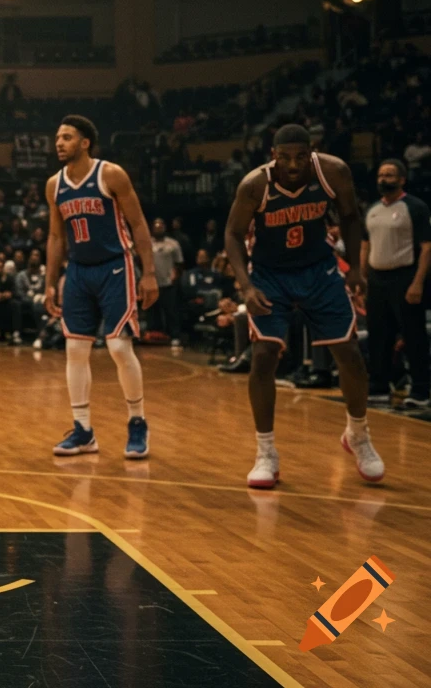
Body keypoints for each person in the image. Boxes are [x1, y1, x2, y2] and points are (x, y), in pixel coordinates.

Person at [224, 124, 384, 488]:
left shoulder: (333, 171)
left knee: (350, 352)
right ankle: (266, 452)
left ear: (311, 151)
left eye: (300, 156)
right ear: (272, 155)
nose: (293, 165)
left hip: (319, 270)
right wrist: (245, 287)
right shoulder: (254, 185)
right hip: (269, 275)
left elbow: (350, 216)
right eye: (285, 158)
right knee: (264, 355)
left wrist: (356, 268)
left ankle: (358, 434)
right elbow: (233, 234)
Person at [44, 115, 158, 458]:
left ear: (85, 142)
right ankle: (83, 431)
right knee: (75, 350)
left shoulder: (110, 174)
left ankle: (137, 422)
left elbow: (138, 224)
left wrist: (148, 272)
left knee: (119, 348)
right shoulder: (54, 185)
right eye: (57, 137)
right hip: (78, 270)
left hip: (114, 266)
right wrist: (50, 281)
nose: (59, 143)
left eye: (67, 137)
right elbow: (55, 236)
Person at [361, 159, 430, 409]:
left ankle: (421, 390)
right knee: (379, 336)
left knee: (414, 336)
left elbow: (427, 248)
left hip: (405, 277)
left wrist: (418, 282)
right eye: (380, 175)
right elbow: (365, 245)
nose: (383, 179)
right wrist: (362, 276)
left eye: (389, 175)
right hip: (377, 280)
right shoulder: (372, 209)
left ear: (402, 179)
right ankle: (379, 387)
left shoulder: (415, 207)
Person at [151, 218, 185, 347]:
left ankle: (175, 336)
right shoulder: (148, 243)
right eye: (156, 226)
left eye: (161, 226)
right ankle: (156, 336)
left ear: (165, 227)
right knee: (154, 312)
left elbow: (179, 263)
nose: (158, 228)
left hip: (168, 282)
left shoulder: (173, 244)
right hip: (154, 282)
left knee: (171, 311)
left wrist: (175, 275)